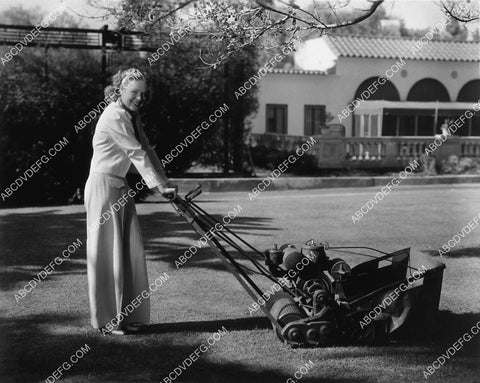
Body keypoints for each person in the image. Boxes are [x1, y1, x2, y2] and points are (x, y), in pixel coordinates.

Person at [84, 68, 176, 335]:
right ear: (119, 90)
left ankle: (129, 316)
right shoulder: (114, 115)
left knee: (129, 253)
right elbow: (135, 153)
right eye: (134, 92)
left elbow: (146, 149)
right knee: (106, 254)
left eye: (142, 94)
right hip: (103, 187)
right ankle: (107, 321)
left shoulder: (131, 116)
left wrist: (166, 183)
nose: (139, 98)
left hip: (120, 186)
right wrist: (160, 187)